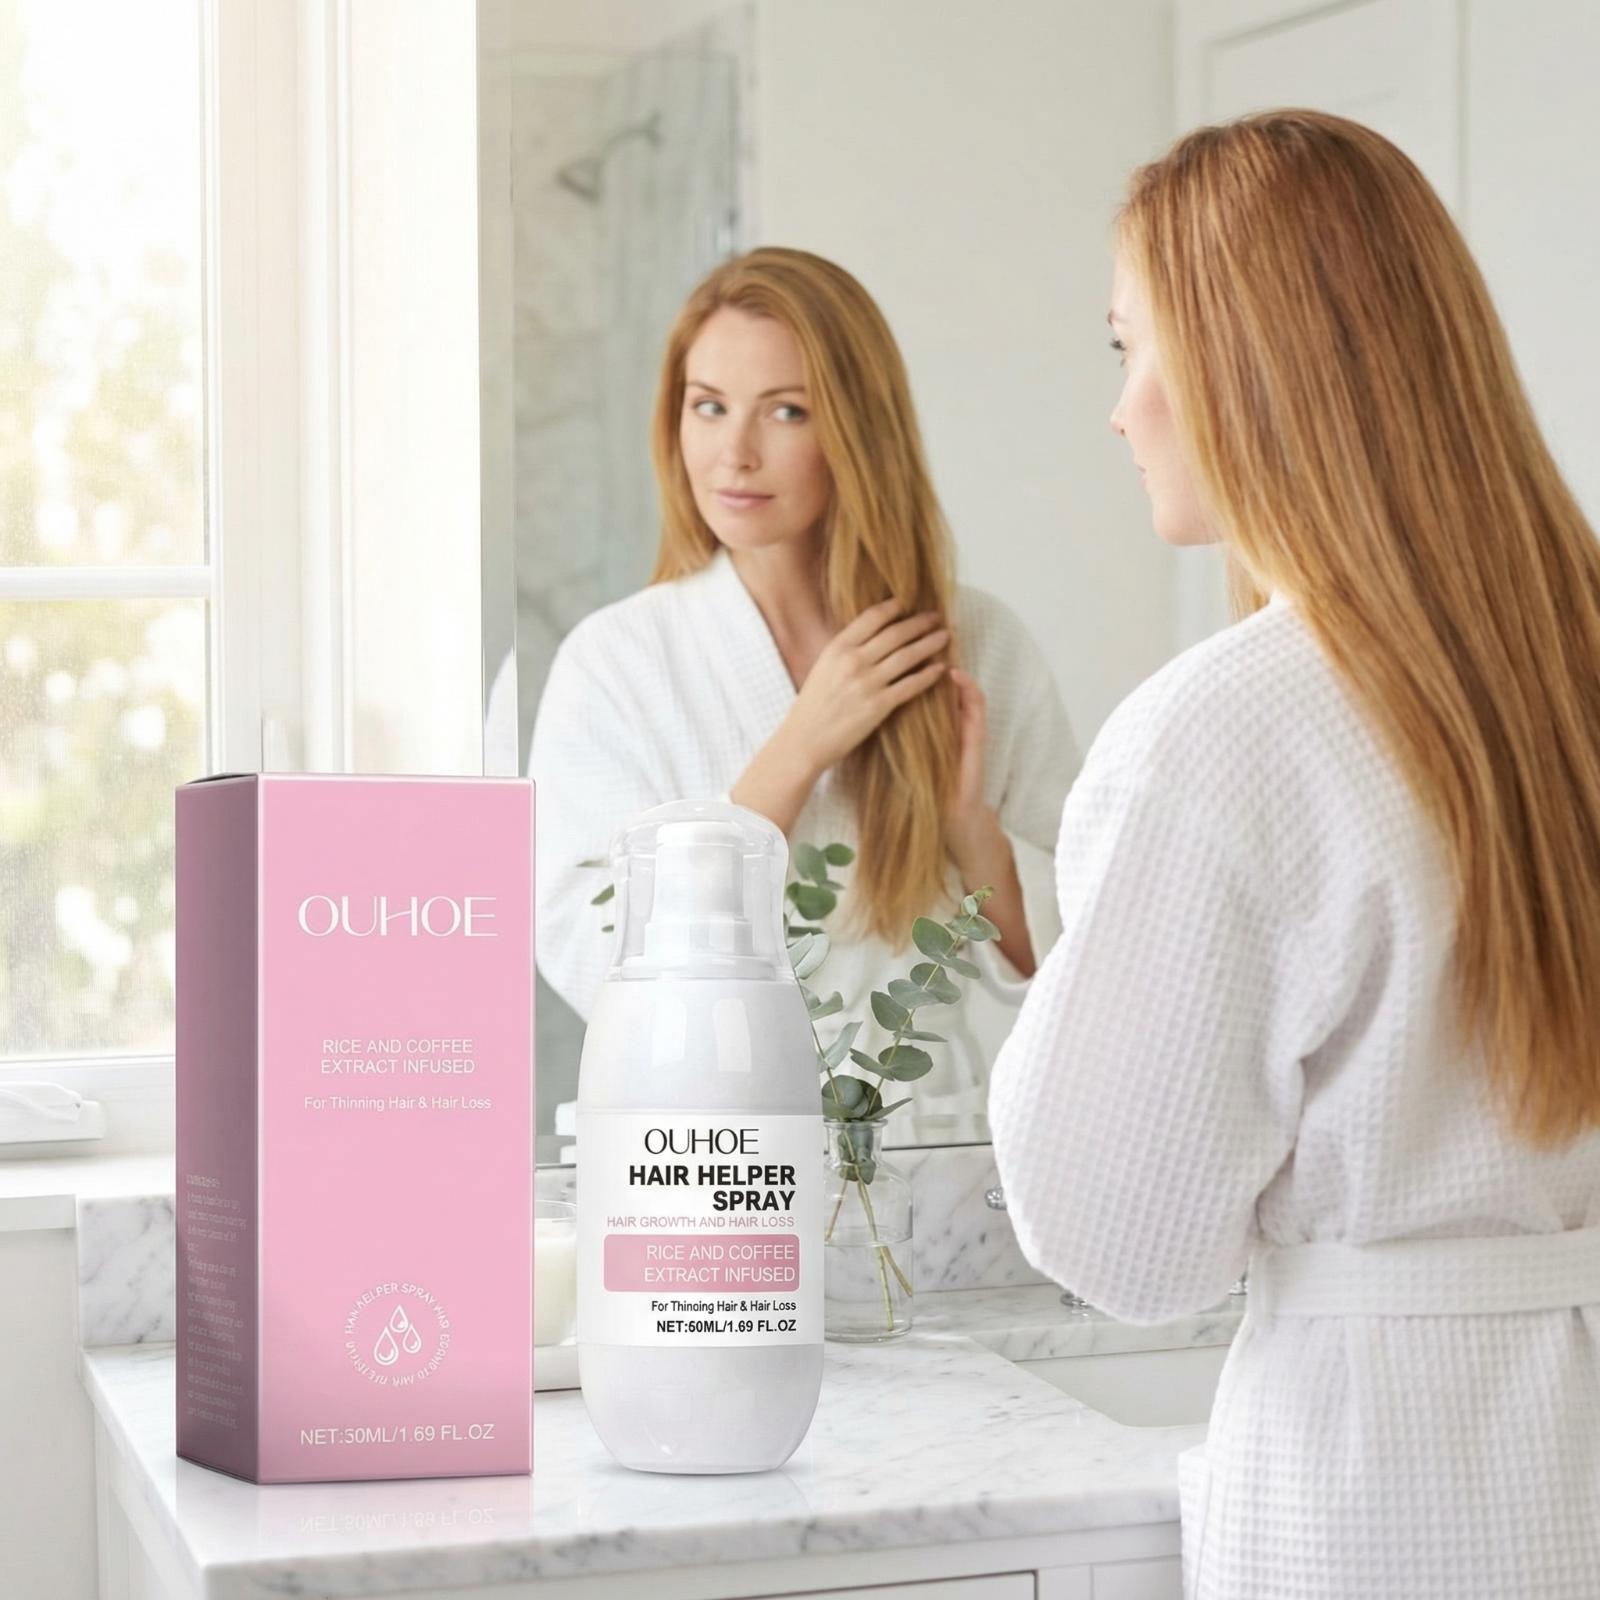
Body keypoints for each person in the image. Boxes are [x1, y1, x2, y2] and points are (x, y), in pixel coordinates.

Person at [989, 109, 1600, 1599]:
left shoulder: (1226, 732)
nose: (1120, 412)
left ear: (1247, 366)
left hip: (1387, 1486)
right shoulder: (1572, 671)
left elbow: (1125, 1245)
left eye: (1133, 349)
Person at [531, 247, 1077, 1116]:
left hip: (930, 1147)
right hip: (711, 1144)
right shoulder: (617, 662)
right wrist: (798, 749)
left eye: (786, 411)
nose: (735, 453)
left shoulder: (975, 643)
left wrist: (968, 826)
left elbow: (1079, 962)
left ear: (856, 430)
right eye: (708, 406)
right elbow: (593, 959)